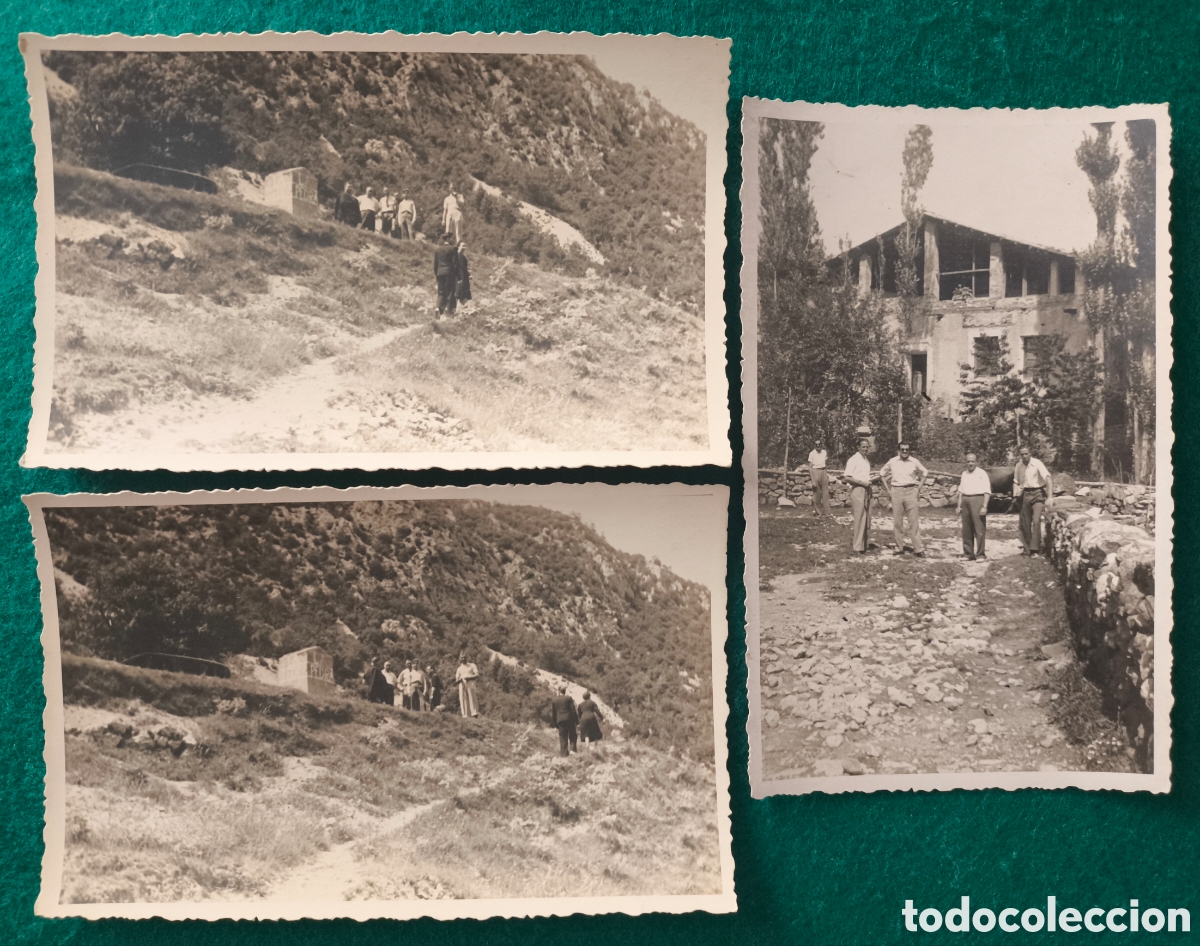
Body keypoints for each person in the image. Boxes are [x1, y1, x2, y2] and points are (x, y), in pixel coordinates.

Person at [880, 441, 929, 556]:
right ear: (899, 450)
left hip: (911, 490)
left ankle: (918, 548)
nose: (905, 451)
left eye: (907, 449)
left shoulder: (914, 461)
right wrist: (888, 490)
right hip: (896, 491)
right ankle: (899, 547)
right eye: (903, 449)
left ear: (909, 450)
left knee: (913, 521)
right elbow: (882, 473)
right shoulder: (893, 461)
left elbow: (925, 473)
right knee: (898, 522)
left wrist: (918, 489)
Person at [1014, 445, 1054, 555]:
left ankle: (1035, 549)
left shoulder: (1037, 463)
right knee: (1025, 522)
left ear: (1030, 454)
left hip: (1038, 493)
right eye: (1022, 454)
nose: (1024, 456)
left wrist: (1050, 497)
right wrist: (1015, 493)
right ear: (1020, 455)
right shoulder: (1019, 466)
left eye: (1026, 453)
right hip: (1025, 494)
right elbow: (1016, 481)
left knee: (1036, 520)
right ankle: (1027, 550)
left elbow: (1048, 478)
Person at [957, 453, 992, 560]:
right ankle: (968, 553)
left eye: (972, 461)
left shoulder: (982, 473)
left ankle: (981, 554)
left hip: (978, 500)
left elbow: (987, 491)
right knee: (966, 529)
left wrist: (984, 506)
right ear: (966, 462)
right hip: (966, 501)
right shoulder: (964, 474)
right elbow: (961, 492)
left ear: (976, 462)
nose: (970, 463)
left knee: (979, 528)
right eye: (968, 461)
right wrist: (959, 506)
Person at [844, 437, 876, 553]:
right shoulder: (853, 459)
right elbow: (847, 477)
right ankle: (857, 547)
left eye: (867, 447)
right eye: (863, 447)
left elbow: (864, 475)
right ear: (858, 448)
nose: (866, 449)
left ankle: (865, 544)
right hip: (858, 489)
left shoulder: (865, 460)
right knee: (859, 518)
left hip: (867, 489)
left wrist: (871, 480)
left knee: (867, 518)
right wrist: (862, 483)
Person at [433, 234, 460, 317]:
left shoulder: (437, 249)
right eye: (452, 238)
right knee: (450, 292)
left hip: (440, 273)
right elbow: (455, 263)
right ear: (448, 239)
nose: (454, 240)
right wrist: (458, 275)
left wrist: (436, 275)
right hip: (449, 273)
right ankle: (450, 312)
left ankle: (438, 308)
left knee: (441, 292)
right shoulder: (453, 249)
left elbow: (435, 264)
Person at [550, 685, 579, 757]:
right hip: (569, 719)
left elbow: (553, 713)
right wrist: (577, 722)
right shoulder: (568, 698)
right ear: (564, 691)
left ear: (558, 691)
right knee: (572, 735)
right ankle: (573, 750)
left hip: (560, 720)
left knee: (563, 737)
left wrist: (555, 724)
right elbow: (573, 710)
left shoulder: (554, 700)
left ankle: (564, 754)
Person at [808, 439, 831, 517]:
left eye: (819, 444)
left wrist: (826, 474)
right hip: (815, 471)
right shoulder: (812, 453)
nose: (818, 446)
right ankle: (818, 513)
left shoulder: (824, 452)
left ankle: (827, 513)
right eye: (816, 445)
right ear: (814, 445)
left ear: (821, 445)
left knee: (825, 493)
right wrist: (813, 480)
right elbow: (810, 467)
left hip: (823, 471)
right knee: (817, 494)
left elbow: (825, 463)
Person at [455, 653, 480, 717]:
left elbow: (477, 674)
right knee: (463, 699)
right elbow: (456, 680)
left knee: (472, 697)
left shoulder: (472, 665)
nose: (463, 659)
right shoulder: (459, 669)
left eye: (464, 657)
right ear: (460, 659)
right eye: (461, 657)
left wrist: (470, 677)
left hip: (470, 682)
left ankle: (474, 713)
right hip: (462, 684)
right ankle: (465, 714)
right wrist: (459, 681)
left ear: (467, 657)